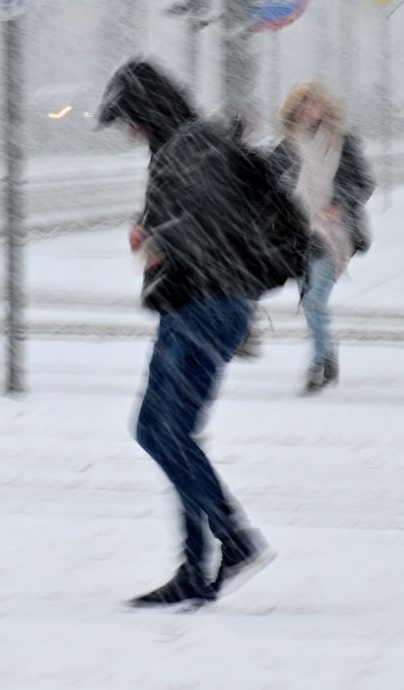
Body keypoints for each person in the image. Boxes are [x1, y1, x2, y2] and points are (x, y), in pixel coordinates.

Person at [97, 60, 297, 608]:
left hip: (203, 304)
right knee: (172, 434)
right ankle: (196, 566)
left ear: (148, 111)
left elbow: (208, 228)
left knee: (157, 430)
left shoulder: (188, 149)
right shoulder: (190, 145)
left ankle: (231, 539)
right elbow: (211, 219)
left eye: (131, 120)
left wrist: (157, 238)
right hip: (207, 303)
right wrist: (156, 234)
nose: (130, 132)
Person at [270, 83, 375, 394]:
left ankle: (318, 364)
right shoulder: (286, 147)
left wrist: (339, 204)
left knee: (315, 301)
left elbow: (364, 182)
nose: (308, 110)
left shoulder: (343, 143)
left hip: (335, 233)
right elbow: (269, 186)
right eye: (302, 105)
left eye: (313, 104)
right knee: (310, 303)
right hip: (298, 233)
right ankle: (327, 354)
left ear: (325, 108)